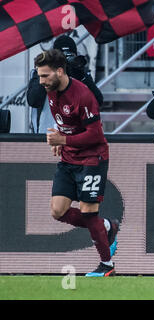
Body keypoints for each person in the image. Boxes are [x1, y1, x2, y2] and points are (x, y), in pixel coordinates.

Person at [34, 49, 119, 277]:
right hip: (68, 158)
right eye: (39, 76)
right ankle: (108, 227)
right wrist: (58, 138)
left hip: (92, 158)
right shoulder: (51, 90)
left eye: (45, 76)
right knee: (57, 211)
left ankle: (106, 265)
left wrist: (63, 138)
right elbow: (65, 122)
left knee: (89, 212)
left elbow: (96, 136)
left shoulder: (83, 95)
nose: (41, 81)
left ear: (59, 71)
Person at [27, 35, 103, 133]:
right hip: (47, 136)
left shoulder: (79, 73)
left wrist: (81, 76)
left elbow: (97, 102)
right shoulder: (43, 73)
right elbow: (33, 101)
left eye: (69, 57)